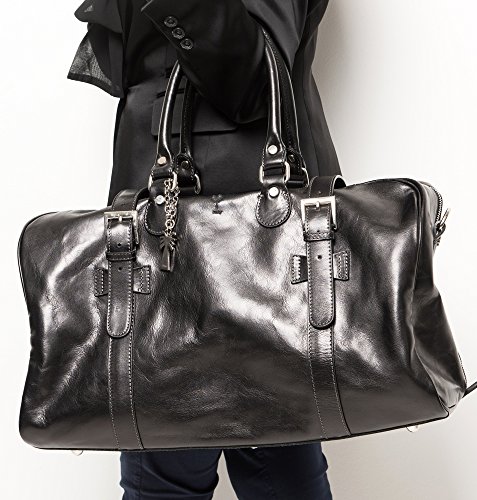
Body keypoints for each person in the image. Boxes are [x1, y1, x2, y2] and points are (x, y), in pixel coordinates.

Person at [68, 1, 342, 498]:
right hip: (165, 238)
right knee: (168, 477)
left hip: (247, 247)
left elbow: (254, 79)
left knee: (263, 475)